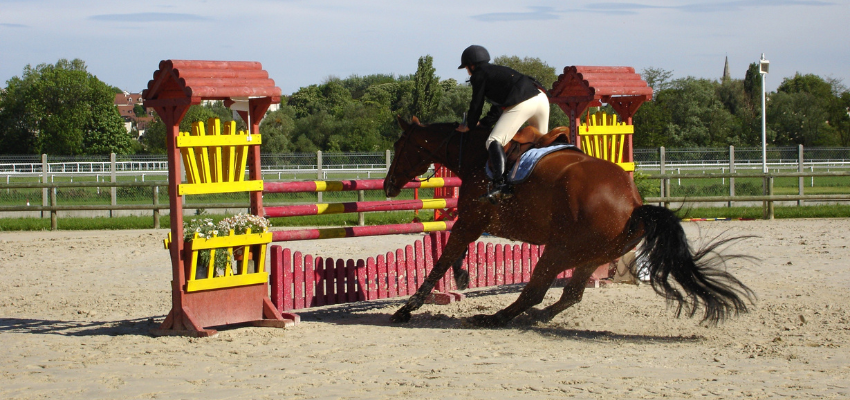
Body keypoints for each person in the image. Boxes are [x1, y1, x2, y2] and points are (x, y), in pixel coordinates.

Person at [455, 45, 550, 203]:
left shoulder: (479, 75)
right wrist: (484, 123)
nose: (468, 71)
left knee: (493, 141)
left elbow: (476, 104)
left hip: (523, 102)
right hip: (541, 99)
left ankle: (501, 186)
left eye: (466, 67)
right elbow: (498, 108)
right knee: (542, 144)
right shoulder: (498, 72)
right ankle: (544, 183)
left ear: (471, 65)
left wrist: (470, 125)